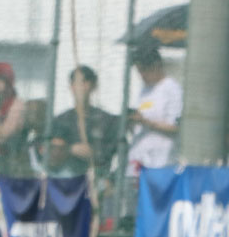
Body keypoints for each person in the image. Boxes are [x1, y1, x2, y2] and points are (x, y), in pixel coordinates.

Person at [45, 66, 117, 179]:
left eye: (86, 82)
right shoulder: (61, 120)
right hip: (67, 180)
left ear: (93, 86)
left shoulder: (106, 120)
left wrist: (94, 153)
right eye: (79, 83)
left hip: (96, 179)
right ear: (71, 87)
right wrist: (71, 149)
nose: (83, 87)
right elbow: (52, 154)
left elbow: (112, 153)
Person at [125, 47, 182, 178]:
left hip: (160, 163)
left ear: (157, 65)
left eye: (144, 70)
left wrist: (145, 121)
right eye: (139, 72)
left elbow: (176, 127)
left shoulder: (172, 89)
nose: (142, 75)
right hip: (139, 159)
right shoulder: (145, 90)